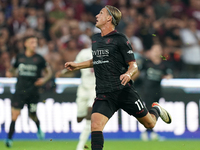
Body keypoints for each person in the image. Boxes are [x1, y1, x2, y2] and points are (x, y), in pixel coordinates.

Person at [65, 5, 172, 150]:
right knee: (95, 125)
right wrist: (77, 66)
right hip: (104, 93)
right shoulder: (95, 39)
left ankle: (156, 110)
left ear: (109, 18)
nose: (96, 16)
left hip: (123, 91)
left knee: (150, 124)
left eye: (100, 13)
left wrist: (128, 74)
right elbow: (97, 59)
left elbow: (133, 65)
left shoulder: (120, 39)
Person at [5, 35, 52, 147]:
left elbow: (49, 72)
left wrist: (44, 79)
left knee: (32, 115)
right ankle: (9, 139)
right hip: (20, 91)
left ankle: (39, 128)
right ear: (25, 44)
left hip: (33, 93)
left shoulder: (40, 59)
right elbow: (13, 68)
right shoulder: (19, 57)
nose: (34, 45)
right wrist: (10, 72)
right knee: (15, 114)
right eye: (32, 42)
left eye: (35, 42)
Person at [57, 38, 95, 150]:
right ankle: (84, 118)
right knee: (79, 117)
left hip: (96, 88)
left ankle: (80, 145)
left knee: (90, 114)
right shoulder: (83, 53)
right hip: (83, 88)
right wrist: (63, 72)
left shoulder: (106, 53)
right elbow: (75, 66)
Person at [133, 44, 173, 141]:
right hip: (146, 91)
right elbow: (137, 72)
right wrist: (130, 81)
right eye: (154, 50)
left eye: (158, 50)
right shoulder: (146, 63)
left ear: (161, 52)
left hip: (157, 91)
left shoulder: (163, 64)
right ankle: (149, 132)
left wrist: (167, 77)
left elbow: (169, 74)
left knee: (154, 112)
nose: (156, 52)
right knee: (150, 111)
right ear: (151, 51)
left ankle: (149, 132)